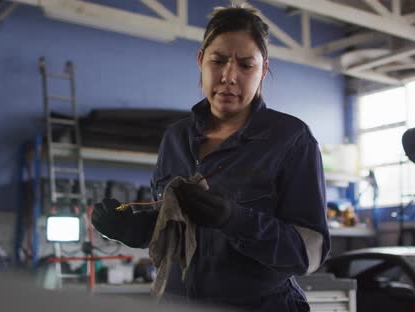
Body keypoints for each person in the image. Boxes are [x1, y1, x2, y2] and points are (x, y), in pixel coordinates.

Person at [92, 3, 330, 311]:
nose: (229, 77)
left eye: (246, 65)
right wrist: (132, 230)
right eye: (218, 61)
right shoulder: (175, 138)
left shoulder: (291, 140)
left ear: (263, 69)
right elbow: (170, 230)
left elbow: (309, 254)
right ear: (201, 60)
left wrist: (234, 220)